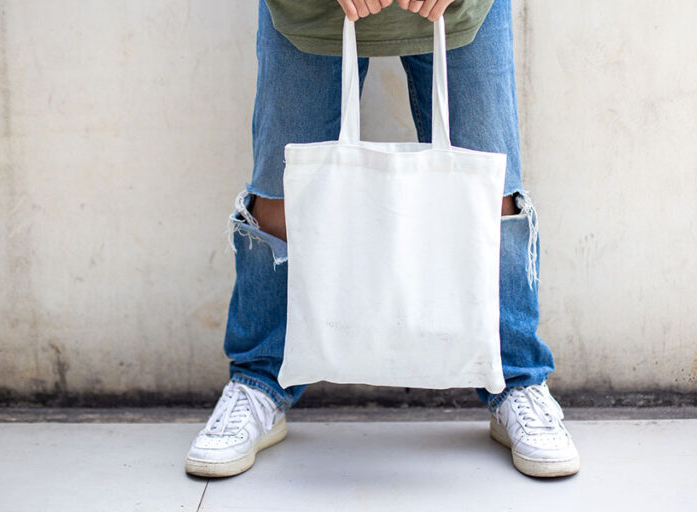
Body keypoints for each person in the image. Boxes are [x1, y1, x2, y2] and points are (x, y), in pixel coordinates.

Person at [185, 0, 580, 479]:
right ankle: (259, 379)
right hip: (310, 11)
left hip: (461, 12)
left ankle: (516, 381)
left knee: (491, 193)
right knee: (279, 195)